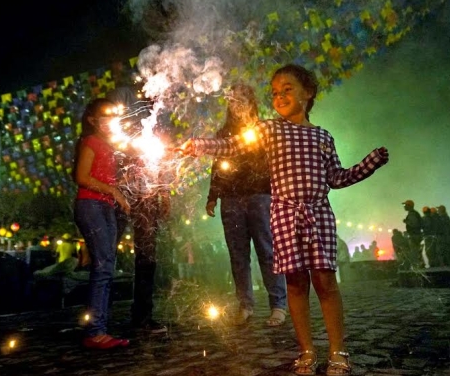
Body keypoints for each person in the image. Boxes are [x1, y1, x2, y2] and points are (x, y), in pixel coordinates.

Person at [177, 64, 389, 376]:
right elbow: (231, 146)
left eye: (288, 89)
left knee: (326, 282)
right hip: (284, 215)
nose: (280, 96)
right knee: (296, 284)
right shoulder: (268, 130)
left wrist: (369, 164)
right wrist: (197, 145)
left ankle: (338, 350)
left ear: (309, 93)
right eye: (275, 92)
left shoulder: (322, 137)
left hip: (319, 214)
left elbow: (337, 177)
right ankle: (306, 352)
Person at [205, 83, 287, 327]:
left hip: (260, 196)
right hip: (230, 198)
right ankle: (245, 305)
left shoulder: (264, 130)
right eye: (233, 100)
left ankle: (278, 305)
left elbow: (277, 163)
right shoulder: (223, 134)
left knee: (267, 250)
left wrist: (279, 192)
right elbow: (218, 165)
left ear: (252, 103)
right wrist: (212, 195)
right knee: (238, 255)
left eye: (242, 99)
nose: (237, 104)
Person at [106, 68, 170, 334]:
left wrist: (164, 190)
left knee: (147, 254)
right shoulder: (121, 96)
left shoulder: (160, 106)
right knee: (108, 248)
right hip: (121, 186)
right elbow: (108, 133)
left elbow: (164, 148)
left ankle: (142, 316)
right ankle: (100, 319)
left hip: (149, 189)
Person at [73, 98, 131, 350]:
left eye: (113, 115)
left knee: (107, 266)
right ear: (92, 120)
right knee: (102, 266)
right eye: (104, 116)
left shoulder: (112, 145)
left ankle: (100, 328)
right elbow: (81, 177)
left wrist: (120, 194)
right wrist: (113, 191)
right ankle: (95, 331)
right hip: (91, 206)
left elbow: (109, 178)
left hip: (106, 207)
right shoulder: (91, 142)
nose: (110, 120)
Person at [401, 200, 423, 269]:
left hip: (414, 235)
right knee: (415, 251)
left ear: (409, 206)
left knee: (414, 251)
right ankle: (416, 265)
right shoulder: (414, 213)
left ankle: (415, 267)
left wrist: (406, 221)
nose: (404, 207)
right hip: (416, 234)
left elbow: (414, 224)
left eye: (405, 205)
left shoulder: (412, 214)